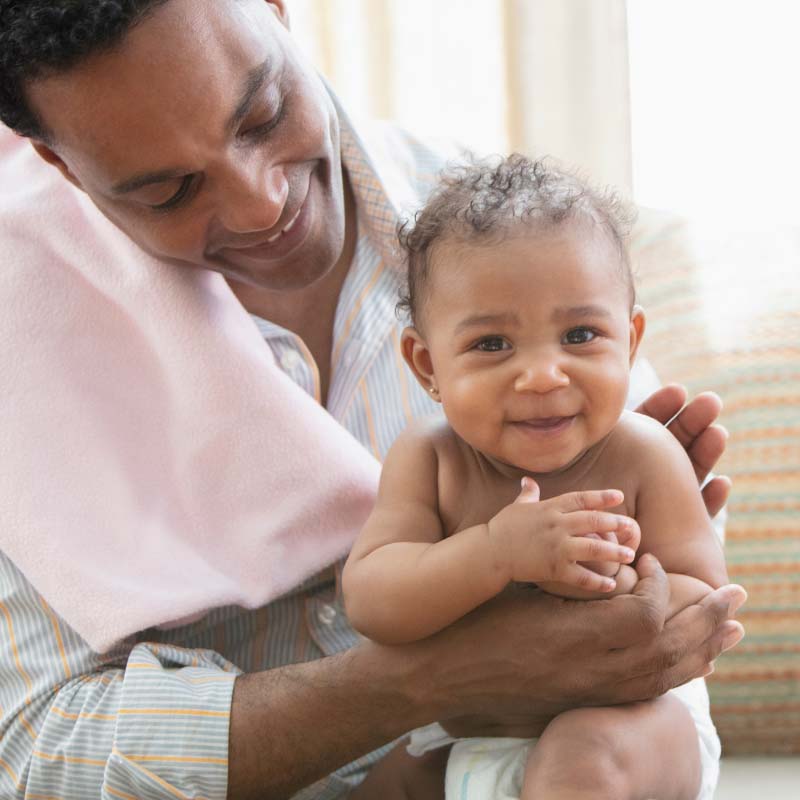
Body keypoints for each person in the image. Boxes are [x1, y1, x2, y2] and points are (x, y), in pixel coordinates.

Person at [0, 2, 745, 799]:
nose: (262, 206)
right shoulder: (25, 342)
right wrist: (438, 674)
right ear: (62, 164)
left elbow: (690, 593)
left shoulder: (517, 239)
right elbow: (34, 748)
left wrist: (643, 585)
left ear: (278, 10)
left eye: (262, 114)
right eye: (170, 191)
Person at [342, 155, 729, 800]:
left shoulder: (645, 453)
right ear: (426, 364)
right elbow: (373, 598)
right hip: (468, 735)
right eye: (492, 344)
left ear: (629, 344)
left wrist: (617, 589)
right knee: (387, 783)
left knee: (580, 763)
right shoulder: (428, 460)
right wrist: (494, 553)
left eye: (580, 334)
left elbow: (707, 598)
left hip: (631, 729)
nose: (544, 375)